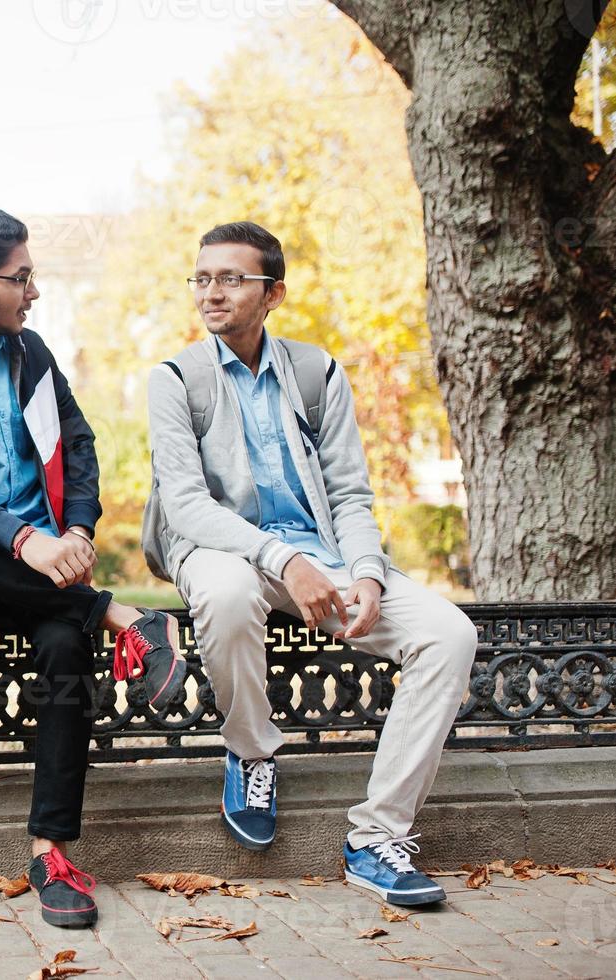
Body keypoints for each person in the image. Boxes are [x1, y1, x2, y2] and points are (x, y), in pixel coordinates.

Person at [145, 220, 477, 907]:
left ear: (273, 293)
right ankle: (251, 753)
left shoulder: (316, 373)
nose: (211, 292)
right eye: (202, 278)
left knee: (449, 635)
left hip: (321, 551)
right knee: (228, 594)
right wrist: (283, 559)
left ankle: (376, 838)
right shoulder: (175, 379)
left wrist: (367, 572)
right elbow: (185, 505)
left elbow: (349, 493)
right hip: (219, 548)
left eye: (231, 278)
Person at [0, 206, 186, 931]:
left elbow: (77, 444)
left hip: (47, 578)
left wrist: (74, 530)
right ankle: (120, 617)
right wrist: (23, 541)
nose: (34, 292)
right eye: (21, 279)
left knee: (63, 642)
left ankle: (51, 854)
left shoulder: (30, 352)